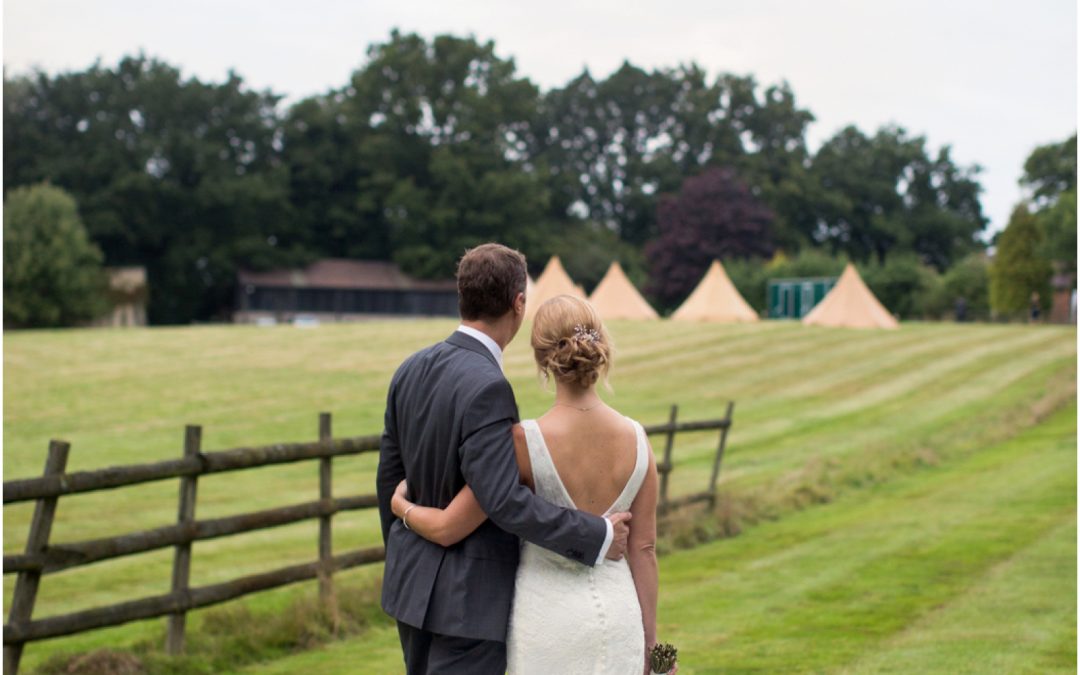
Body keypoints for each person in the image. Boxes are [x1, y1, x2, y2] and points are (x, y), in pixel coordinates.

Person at [376, 244, 632, 675]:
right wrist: (597, 534)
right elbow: (504, 500)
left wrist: (406, 561)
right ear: (518, 303)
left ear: (463, 296)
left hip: (409, 591)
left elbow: (389, 479)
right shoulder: (488, 387)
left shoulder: (410, 368)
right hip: (469, 604)